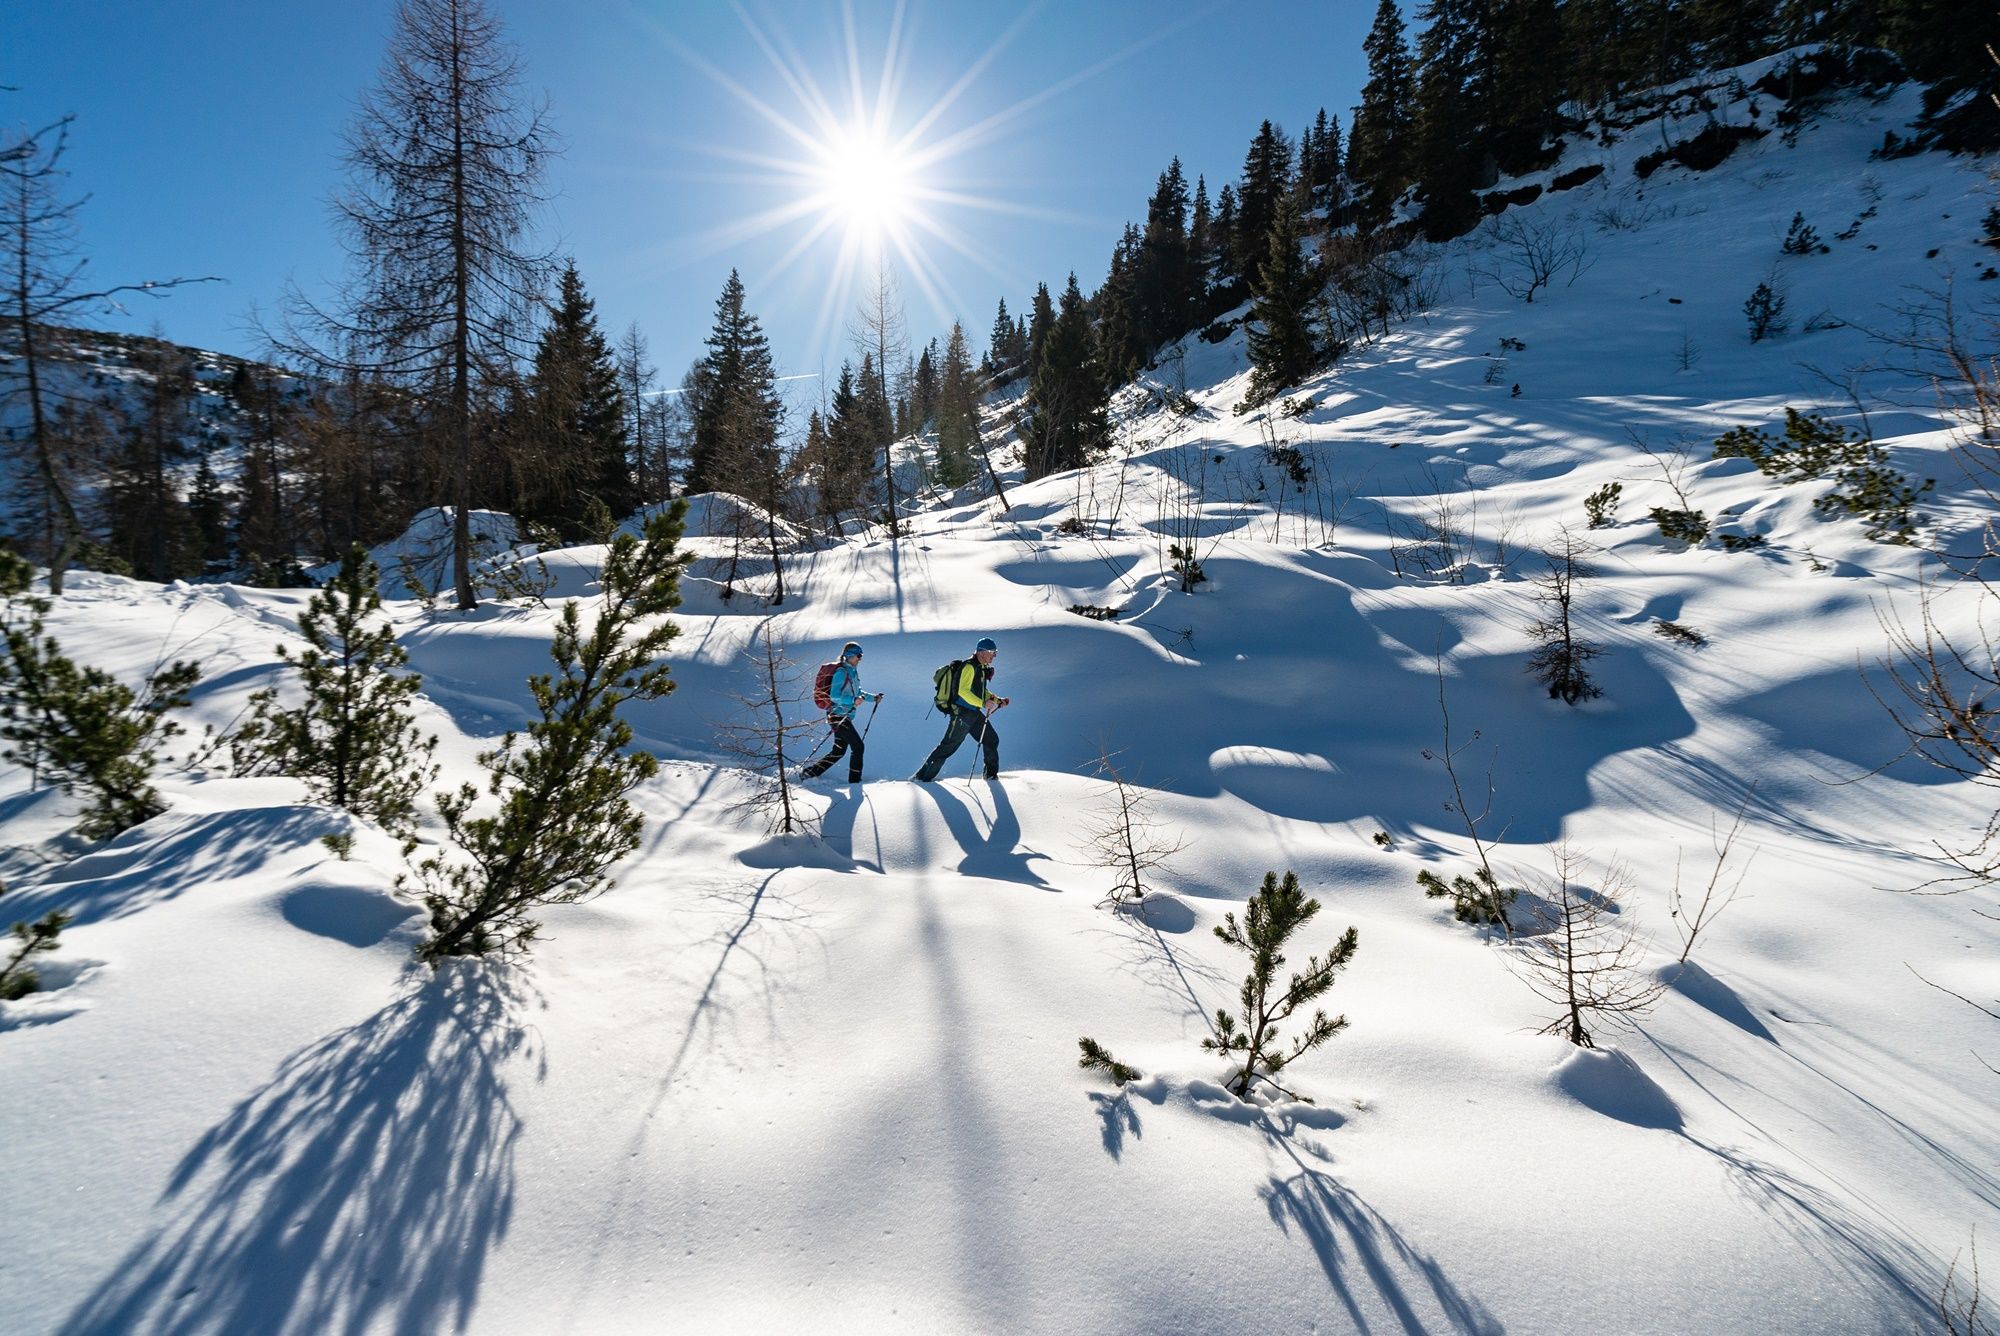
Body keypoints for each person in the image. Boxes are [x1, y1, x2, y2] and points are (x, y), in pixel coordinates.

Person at [913, 637, 1010, 782]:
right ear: (982, 652)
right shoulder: (969, 667)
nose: (994, 656)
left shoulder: (980, 668)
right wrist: (983, 703)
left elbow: (981, 691)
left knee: (991, 740)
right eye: (992, 652)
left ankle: (991, 777)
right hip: (961, 714)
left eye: (995, 652)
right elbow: (963, 691)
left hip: (974, 713)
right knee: (948, 747)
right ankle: (921, 778)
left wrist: (998, 700)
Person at [801, 642, 883, 783]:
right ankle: (855, 781)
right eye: (858, 655)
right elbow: (834, 696)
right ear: (850, 655)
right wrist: (852, 700)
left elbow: (858, 692)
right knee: (858, 746)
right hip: (836, 715)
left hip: (844, 715)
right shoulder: (841, 672)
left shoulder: (852, 672)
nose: (860, 659)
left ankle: (809, 773)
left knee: (838, 751)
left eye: (861, 656)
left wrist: (873, 698)